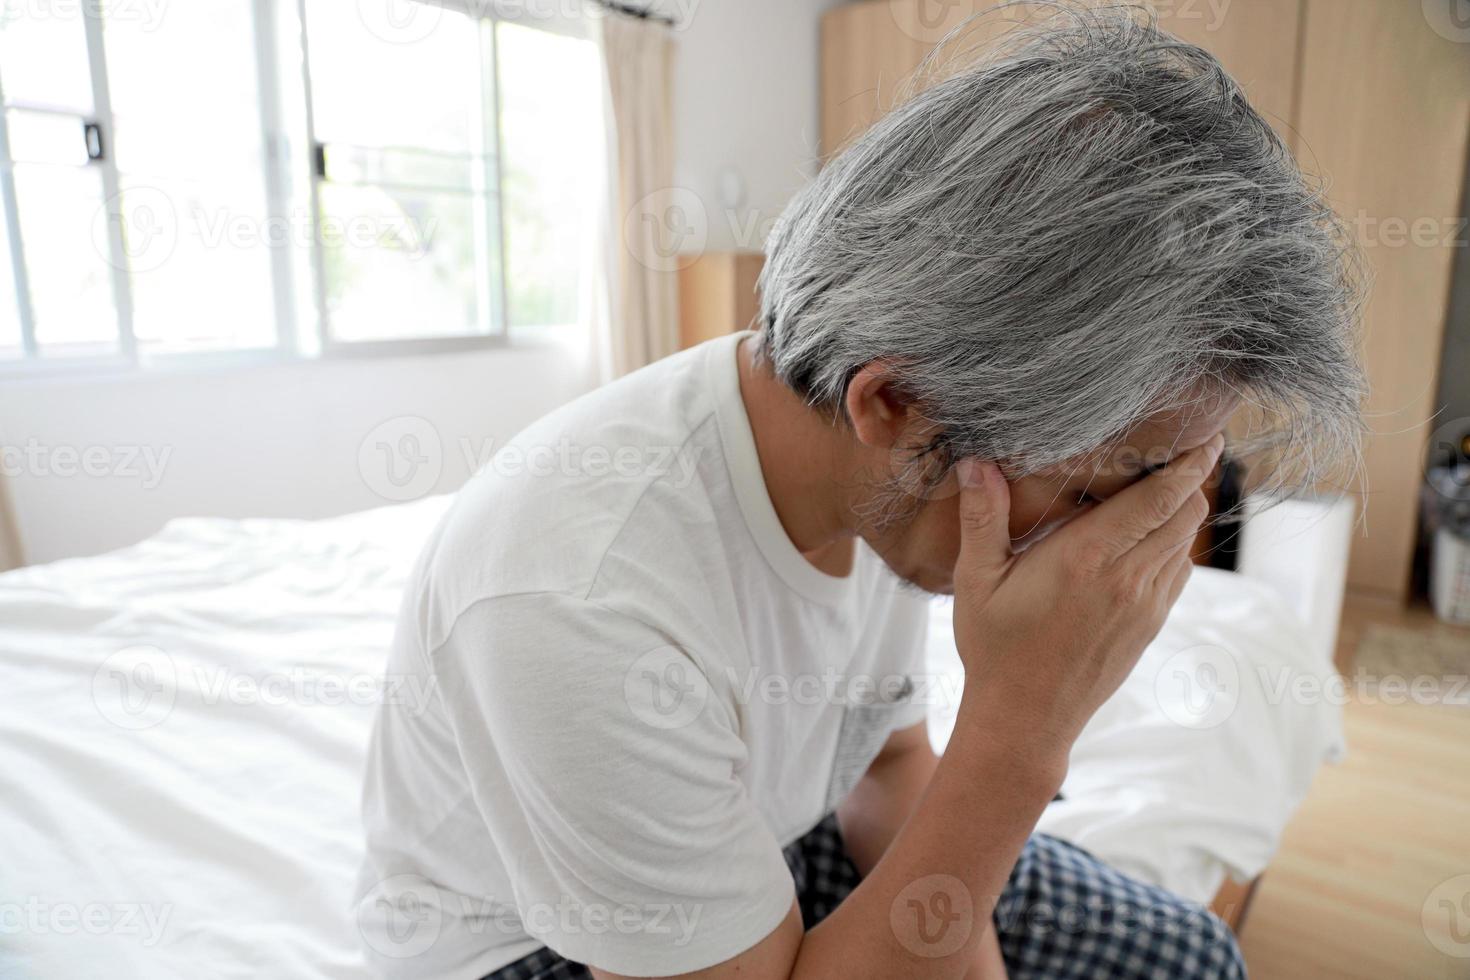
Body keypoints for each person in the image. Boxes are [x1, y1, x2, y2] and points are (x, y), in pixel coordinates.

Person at [355, 5, 1363, 978]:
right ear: (896, 404)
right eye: (1109, 487)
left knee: (1185, 955)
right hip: (533, 942)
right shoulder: (577, 598)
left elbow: (885, 761)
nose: (1126, 542)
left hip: (766, 841)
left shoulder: (878, 480)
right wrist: (1023, 730)